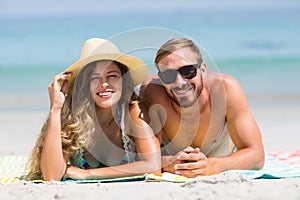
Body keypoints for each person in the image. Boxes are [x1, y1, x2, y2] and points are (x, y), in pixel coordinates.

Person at [26, 38, 161, 181]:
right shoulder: (72, 116)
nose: (104, 84)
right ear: (84, 85)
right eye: (95, 78)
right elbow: (51, 176)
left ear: (124, 79)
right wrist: (55, 109)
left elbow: (153, 166)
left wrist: (86, 174)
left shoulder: (133, 111)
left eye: (112, 76)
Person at [140, 37, 265, 178]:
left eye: (187, 71)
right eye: (169, 75)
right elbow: (143, 157)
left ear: (203, 70)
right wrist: (169, 162)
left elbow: (257, 156)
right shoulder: (153, 93)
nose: (179, 82)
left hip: (222, 156)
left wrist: (211, 165)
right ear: (161, 78)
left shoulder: (225, 90)